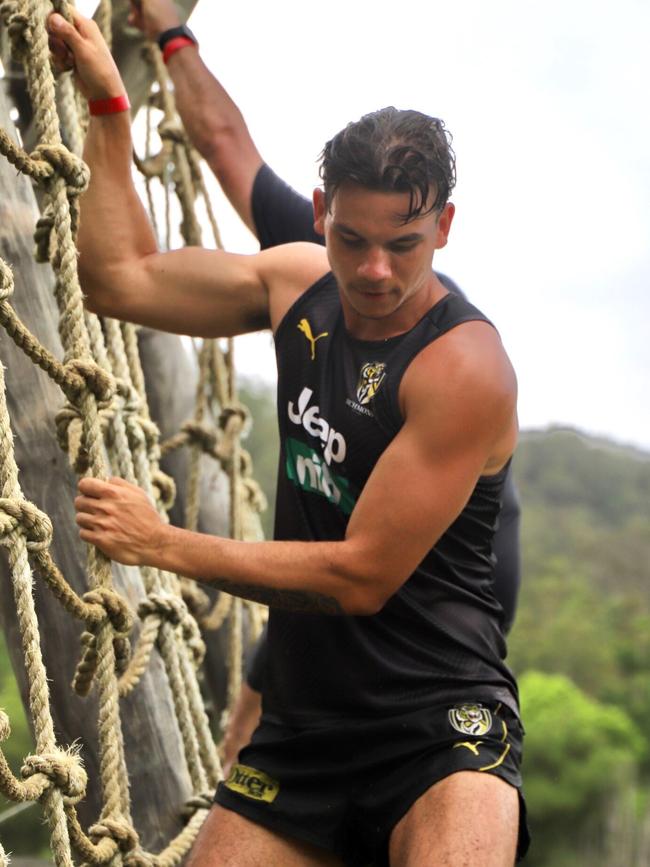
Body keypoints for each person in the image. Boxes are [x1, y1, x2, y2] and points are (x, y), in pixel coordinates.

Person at [49, 8, 528, 865]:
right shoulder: (298, 285)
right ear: (319, 213)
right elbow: (118, 279)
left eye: (404, 245)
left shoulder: (465, 368)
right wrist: (109, 110)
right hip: (306, 726)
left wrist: (161, 543)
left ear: (445, 228)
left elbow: (360, 575)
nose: (375, 270)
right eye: (351, 239)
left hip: (438, 726)